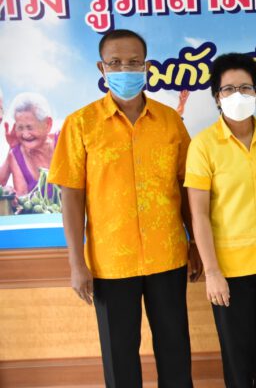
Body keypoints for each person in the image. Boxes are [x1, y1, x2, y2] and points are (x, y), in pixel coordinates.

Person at [48, 29, 202, 388]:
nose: (125, 69)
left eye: (133, 62)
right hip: (110, 263)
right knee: (119, 357)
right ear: (101, 68)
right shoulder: (80, 124)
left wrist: (194, 242)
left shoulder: (170, 121)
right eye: (115, 62)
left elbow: (186, 187)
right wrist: (76, 263)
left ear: (146, 66)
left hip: (167, 256)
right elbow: (71, 197)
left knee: (175, 350)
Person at [185, 52, 256, 387]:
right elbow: (199, 214)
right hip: (229, 271)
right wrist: (212, 272)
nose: (238, 95)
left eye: (246, 87)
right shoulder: (203, 145)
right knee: (237, 358)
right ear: (217, 96)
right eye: (228, 89)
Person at [2, 93, 56, 196]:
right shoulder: (16, 155)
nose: (25, 134)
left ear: (48, 124)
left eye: (30, 127)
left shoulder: (62, 141)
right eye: (20, 127)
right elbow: (22, 197)